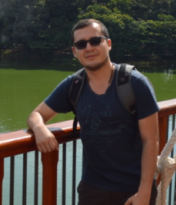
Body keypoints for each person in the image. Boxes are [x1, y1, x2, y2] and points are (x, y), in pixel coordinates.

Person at [27, 19, 159, 205]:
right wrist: (39, 128)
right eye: (81, 44)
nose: (88, 48)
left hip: (134, 188)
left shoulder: (135, 83)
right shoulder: (74, 85)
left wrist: (144, 193)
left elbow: (151, 140)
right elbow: (36, 115)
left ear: (109, 44)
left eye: (95, 41)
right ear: (74, 52)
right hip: (93, 189)